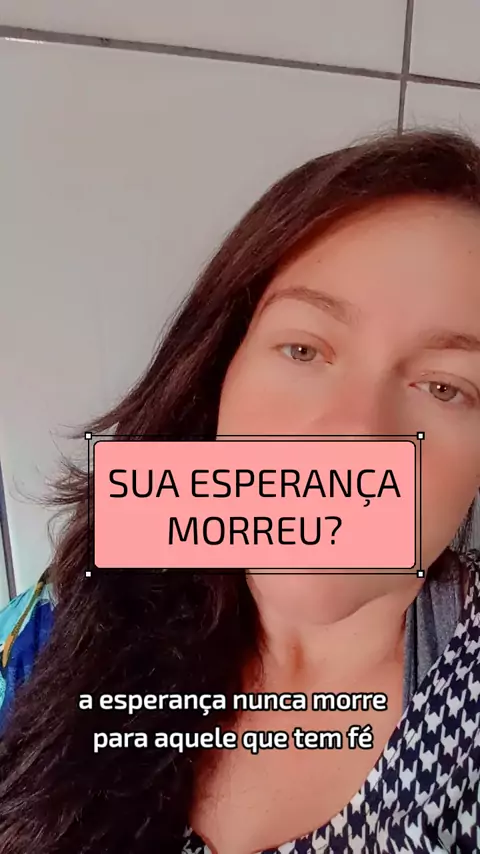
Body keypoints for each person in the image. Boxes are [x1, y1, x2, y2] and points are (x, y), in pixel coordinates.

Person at [1, 129, 480, 854]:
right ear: (219, 370)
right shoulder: (65, 609)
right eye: (304, 349)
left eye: (444, 387)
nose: (354, 436)